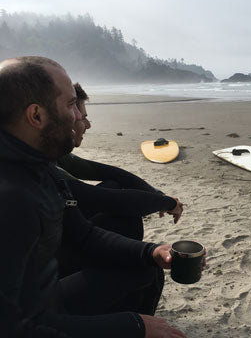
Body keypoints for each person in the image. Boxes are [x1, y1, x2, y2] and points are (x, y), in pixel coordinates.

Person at [0, 56, 189, 338]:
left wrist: (150, 251)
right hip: (32, 318)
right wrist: (133, 325)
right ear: (36, 116)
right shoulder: (12, 198)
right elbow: (17, 328)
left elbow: (85, 235)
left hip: (45, 293)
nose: (80, 118)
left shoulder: (41, 167)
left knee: (145, 269)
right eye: (70, 105)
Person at [56, 83, 183, 242]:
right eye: (83, 118)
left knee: (113, 184)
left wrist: (159, 195)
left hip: (63, 229)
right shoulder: (44, 167)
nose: (88, 125)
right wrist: (168, 203)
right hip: (54, 254)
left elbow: (112, 172)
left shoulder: (56, 156)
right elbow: (110, 200)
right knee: (126, 213)